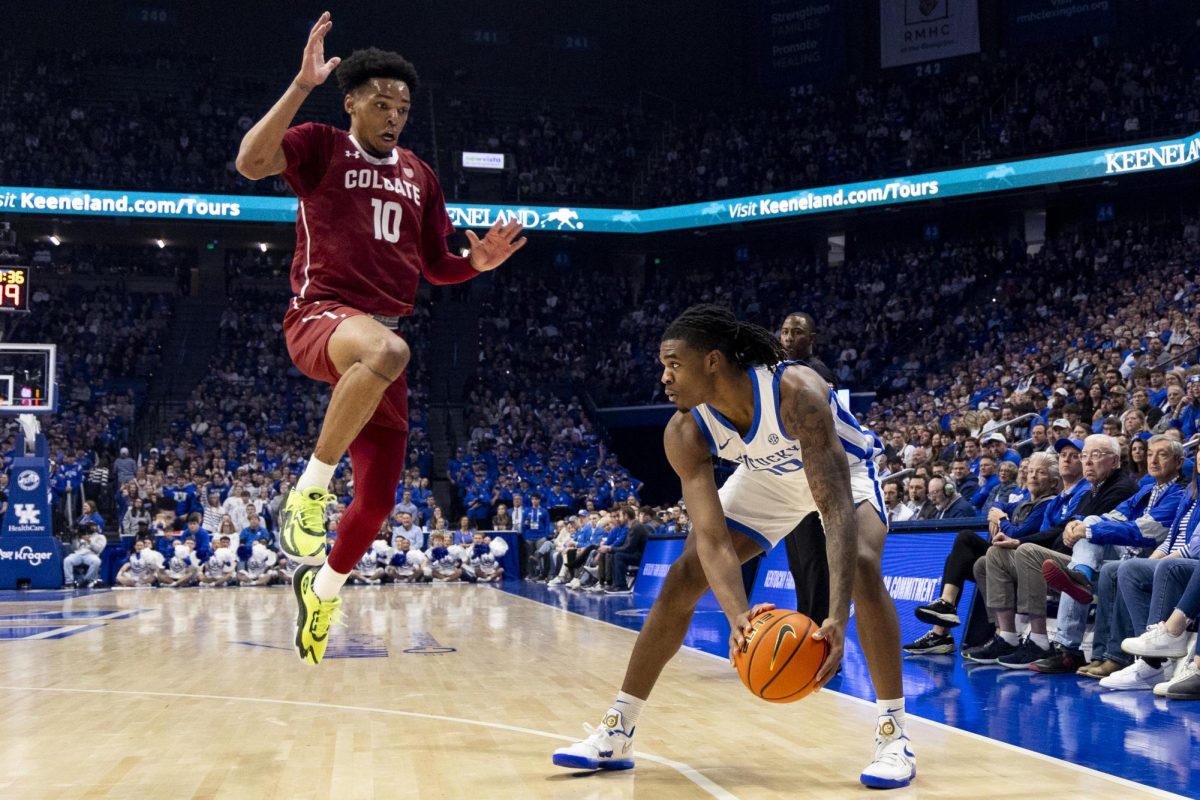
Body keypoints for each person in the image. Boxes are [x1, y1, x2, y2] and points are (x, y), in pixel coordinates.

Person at [236, 12, 525, 665]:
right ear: (351, 104)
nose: (394, 114)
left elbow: (436, 264)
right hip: (320, 316)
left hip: (376, 350)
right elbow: (251, 160)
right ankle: (309, 490)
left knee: (379, 502)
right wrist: (299, 85)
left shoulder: (420, 174)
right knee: (389, 351)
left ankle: (325, 588)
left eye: (402, 106)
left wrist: (474, 266)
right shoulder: (319, 145)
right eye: (380, 102)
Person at [553, 306, 915, 789]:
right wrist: (738, 616)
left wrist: (836, 616)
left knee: (866, 566)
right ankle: (618, 729)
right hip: (767, 480)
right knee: (684, 575)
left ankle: (893, 736)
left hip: (844, 476)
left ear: (713, 361)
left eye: (673, 364)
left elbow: (835, 511)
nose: (664, 377)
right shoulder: (684, 431)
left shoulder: (797, 393)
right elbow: (711, 537)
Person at [777, 311, 836, 633]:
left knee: (815, 561)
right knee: (799, 563)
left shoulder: (817, 373)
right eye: (784, 331)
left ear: (811, 339)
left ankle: (819, 632)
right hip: (790, 480)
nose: (787, 338)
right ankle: (805, 627)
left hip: (817, 480)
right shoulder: (783, 373)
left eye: (796, 333)